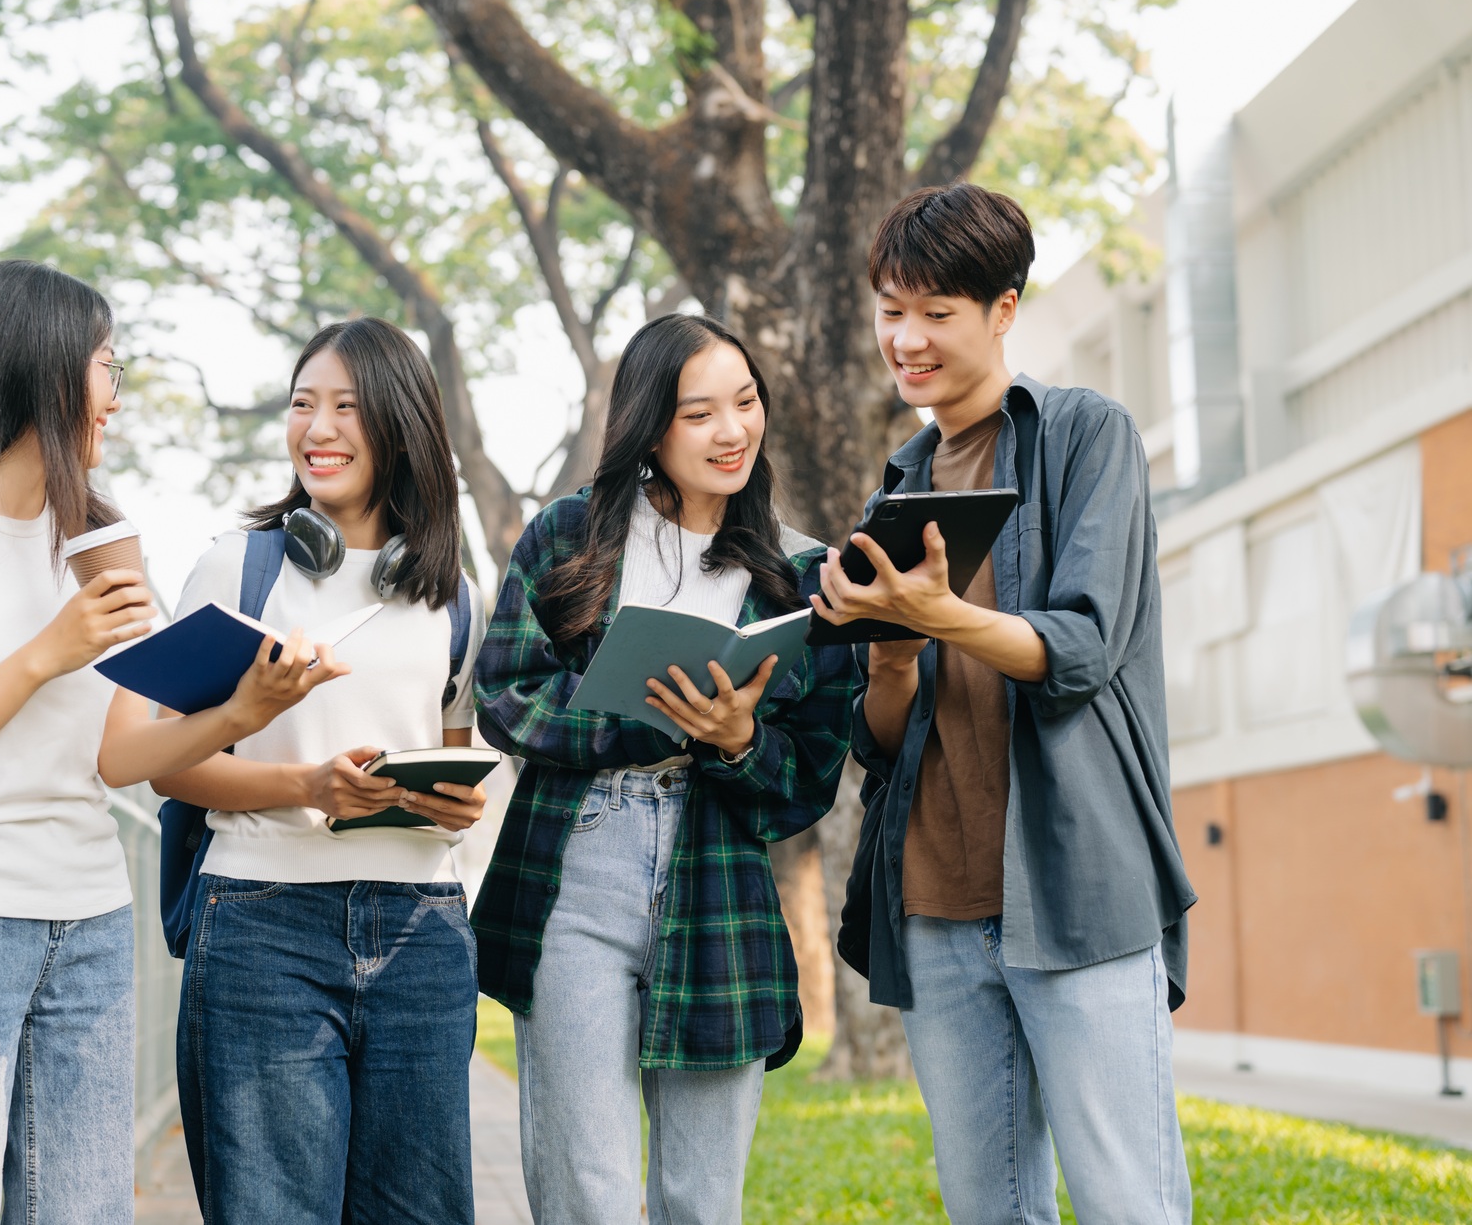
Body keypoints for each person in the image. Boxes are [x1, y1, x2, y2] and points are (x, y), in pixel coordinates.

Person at [0, 259, 342, 1223]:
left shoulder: (100, 540)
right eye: (109, 368)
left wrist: (245, 711)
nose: (117, 399)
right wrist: (44, 653)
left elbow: (114, 756)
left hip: (94, 920)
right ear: (46, 372)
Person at [813, 183, 1197, 1224]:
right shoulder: (893, 490)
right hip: (935, 905)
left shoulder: (1084, 436)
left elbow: (1079, 643)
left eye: (936, 311)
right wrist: (889, 654)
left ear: (1003, 310)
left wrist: (935, 614)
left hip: (1075, 889)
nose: (907, 337)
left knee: (1128, 1200)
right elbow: (880, 738)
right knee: (992, 1209)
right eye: (891, 309)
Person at [473, 312, 860, 1224]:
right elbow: (505, 695)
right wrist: (635, 725)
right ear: (650, 425)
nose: (733, 431)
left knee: (701, 1197)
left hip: (716, 872)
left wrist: (734, 741)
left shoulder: (802, 574)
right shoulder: (569, 534)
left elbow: (807, 776)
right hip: (577, 864)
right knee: (586, 1188)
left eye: (746, 402)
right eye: (700, 413)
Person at [152, 316, 489, 1224]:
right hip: (262, 925)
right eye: (304, 404)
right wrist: (310, 786)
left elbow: (454, 751)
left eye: (346, 406)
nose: (319, 428)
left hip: (424, 928)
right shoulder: (238, 568)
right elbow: (170, 763)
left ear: (401, 422)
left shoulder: (456, 591)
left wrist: (449, 801)